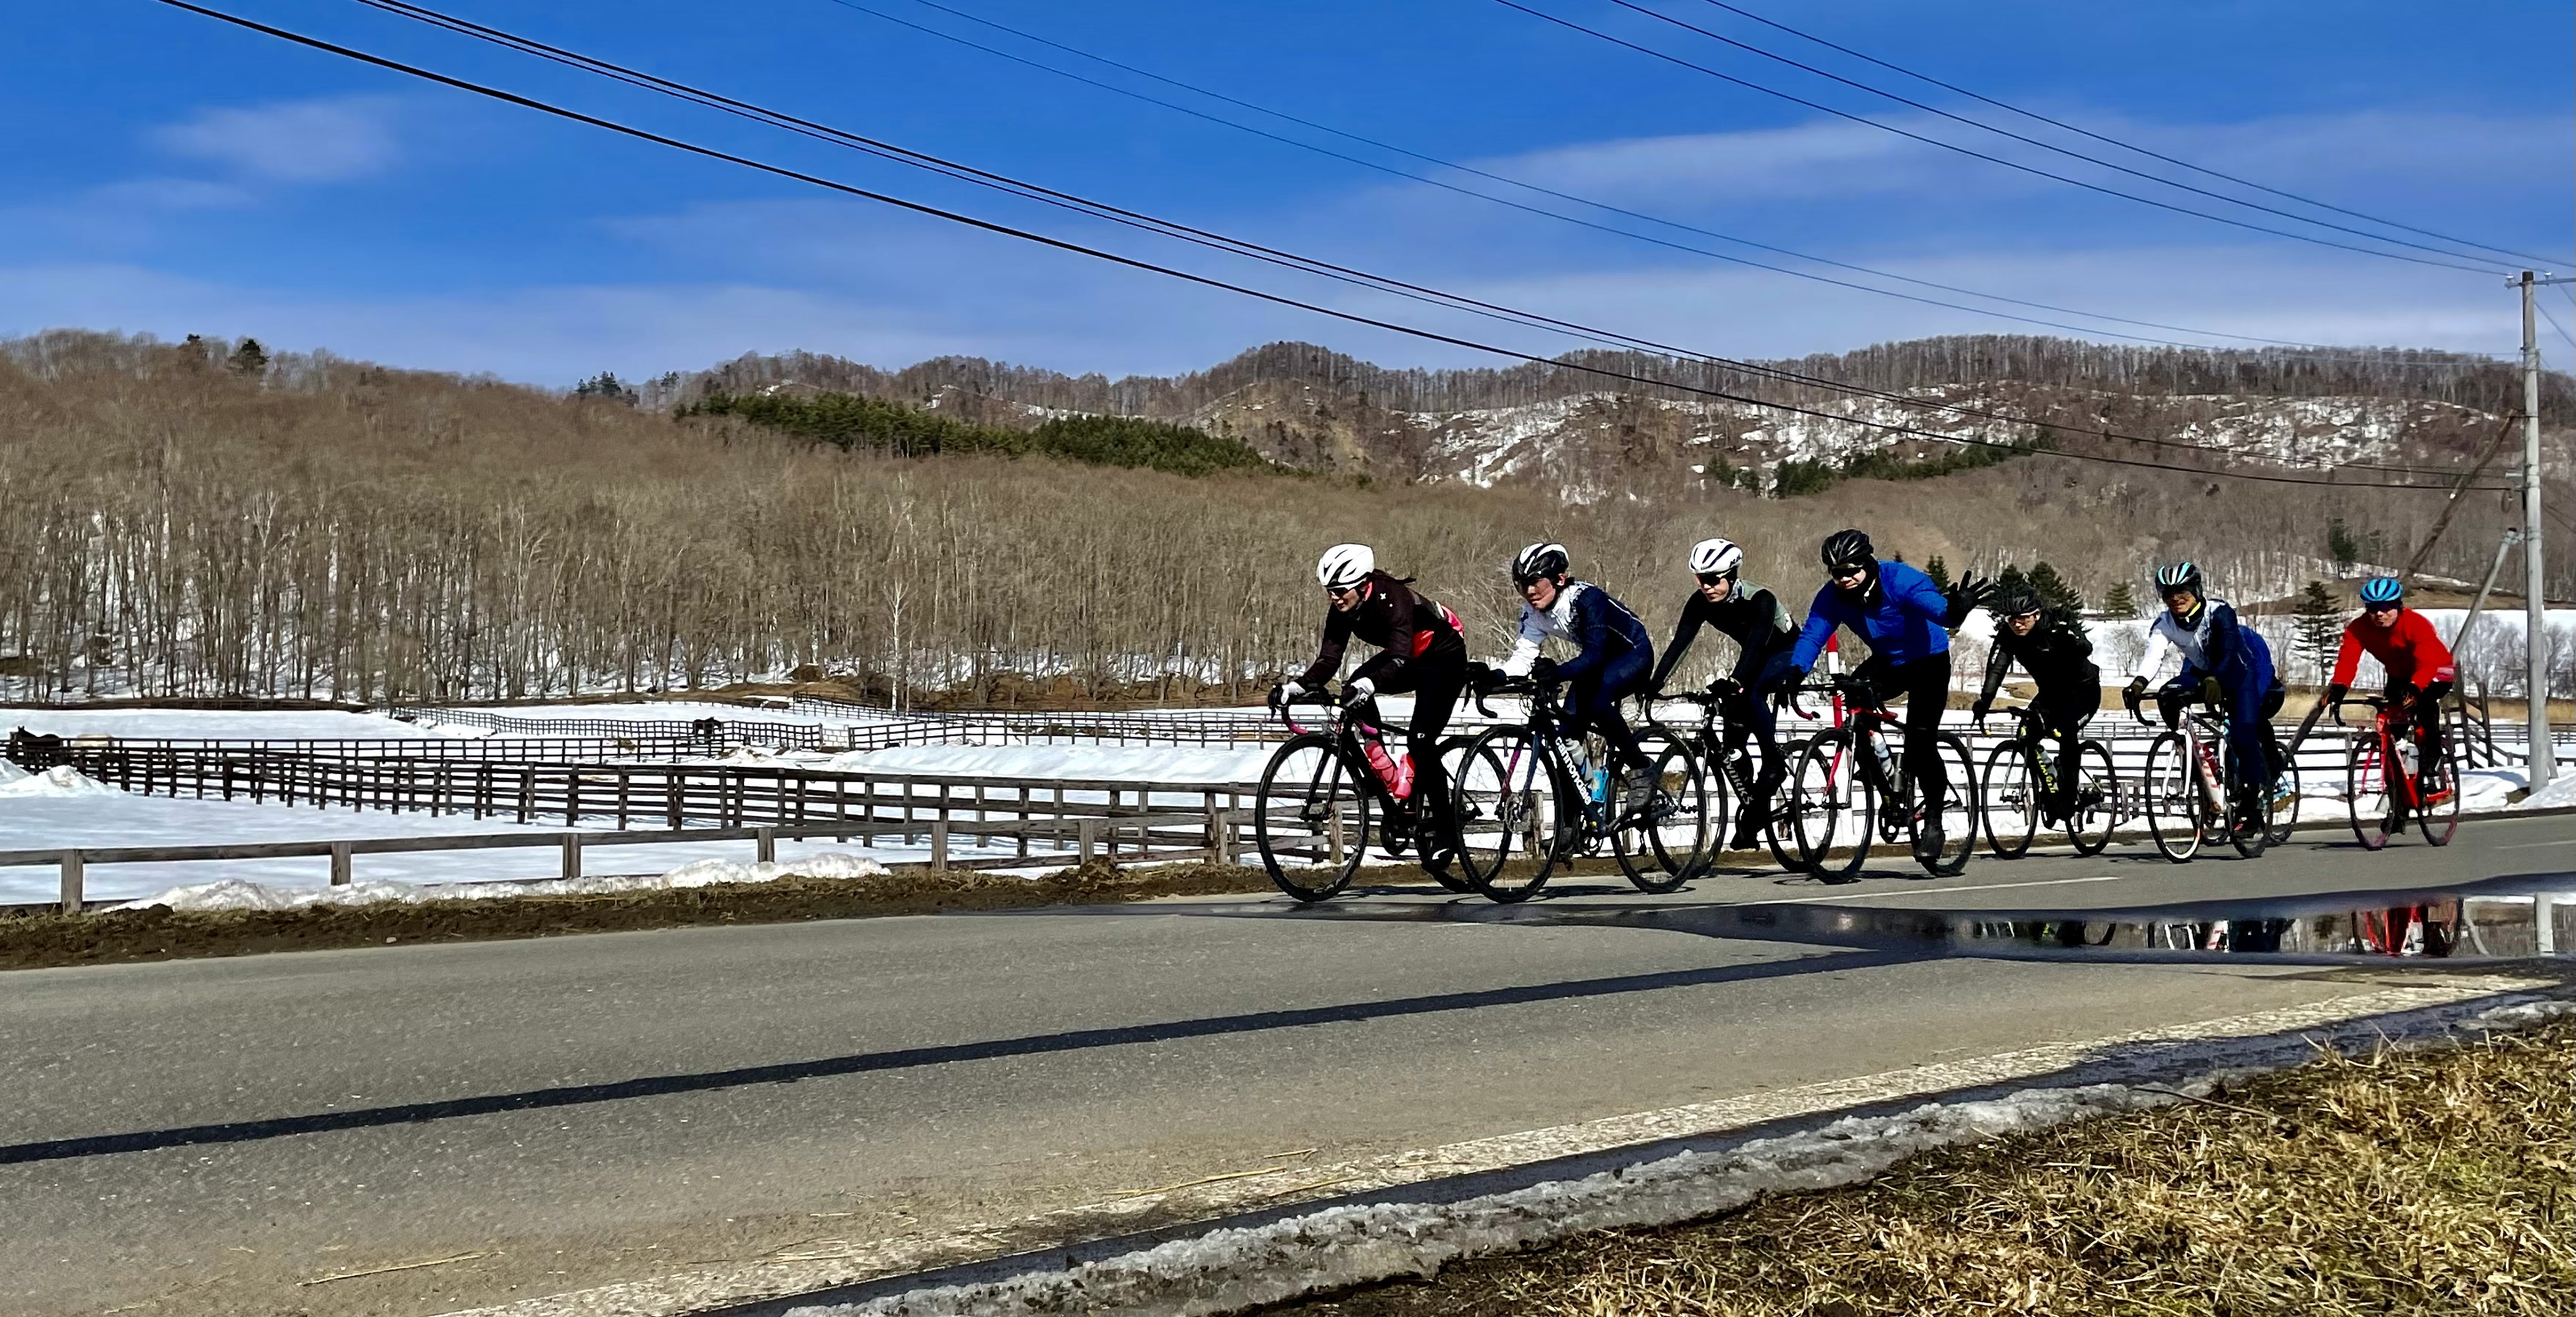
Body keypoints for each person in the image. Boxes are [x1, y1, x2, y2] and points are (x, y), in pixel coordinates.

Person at [1782, 530, 1988, 855]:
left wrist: (1955, 611)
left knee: (1920, 744)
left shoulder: (1900, 580)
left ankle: (1934, 819)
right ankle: (1884, 779)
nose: (1845, 578)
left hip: (1928, 662)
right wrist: (1795, 671)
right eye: (1837, 573)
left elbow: (1937, 609)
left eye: (1852, 570)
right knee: (1854, 698)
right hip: (1887, 661)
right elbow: (1812, 635)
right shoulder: (1832, 596)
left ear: (1868, 563)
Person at [1280, 543, 1471, 859]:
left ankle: (1446, 828)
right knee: (1351, 688)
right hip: (1409, 657)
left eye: (1340, 590)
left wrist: (1370, 683)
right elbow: (1329, 659)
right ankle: (1384, 766)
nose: (1334, 597)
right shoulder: (1341, 609)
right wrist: (1296, 687)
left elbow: (1398, 658)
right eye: (1329, 591)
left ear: (1362, 584)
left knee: (1421, 741)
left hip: (1443, 656)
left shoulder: (1391, 596)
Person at [1473, 541, 1658, 804]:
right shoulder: (1533, 612)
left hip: (1633, 654)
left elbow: (1594, 655)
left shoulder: (1587, 599)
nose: (1529, 591)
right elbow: (1523, 658)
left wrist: (1557, 672)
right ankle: (1573, 824)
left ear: (1560, 579)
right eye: (1522, 584)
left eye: (1535, 582)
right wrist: (1494, 677)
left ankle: (1641, 767)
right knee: (1565, 740)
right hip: (1599, 662)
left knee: (1596, 701)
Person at [1647, 536, 1800, 847]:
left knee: (1751, 691)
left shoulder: (1761, 599)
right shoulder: (1700, 602)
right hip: (1754, 656)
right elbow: (1681, 644)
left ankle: (1773, 764)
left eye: (1713, 580)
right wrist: (1655, 682)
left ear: (1731, 576)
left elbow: (1758, 645)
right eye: (1700, 579)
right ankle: (1751, 801)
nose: (1706, 587)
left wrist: (1735, 680)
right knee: (1733, 739)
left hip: (1788, 652)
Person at [2123, 562, 2284, 829]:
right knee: (2168, 694)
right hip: (2203, 673)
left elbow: (2229, 649)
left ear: (2196, 590)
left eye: (2181, 592)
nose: (2175, 598)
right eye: (2167, 593)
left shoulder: (2218, 612)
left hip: (2238, 675)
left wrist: (2215, 677)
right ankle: (2195, 766)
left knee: (2243, 735)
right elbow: (2154, 654)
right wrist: (2139, 683)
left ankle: (2251, 806)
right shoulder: (2165, 623)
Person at [1969, 580, 2100, 822]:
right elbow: (1997, 669)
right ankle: (2049, 789)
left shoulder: (2054, 624)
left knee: (2065, 730)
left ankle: (2069, 798)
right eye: (2012, 619)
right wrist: (1985, 701)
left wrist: (2069, 637)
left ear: (2037, 614)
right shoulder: (2008, 636)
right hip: (2051, 695)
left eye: (2024, 618)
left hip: (2084, 691)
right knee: (2025, 733)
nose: (2017, 624)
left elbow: (2086, 647)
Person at [2324, 576, 2457, 803]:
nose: (2379, 614)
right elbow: (2347, 660)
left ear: (2398, 606)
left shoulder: (2417, 624)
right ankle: (2399, 786)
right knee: (2393, 722)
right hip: (2400, 675)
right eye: (2373, 608)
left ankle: (2430, 769)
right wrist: (2339, 688)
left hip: (2436, 670)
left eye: (2386, 608)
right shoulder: (2358, 628)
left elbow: (2426, 663)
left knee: (2424, 707)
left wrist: (2415, 690)